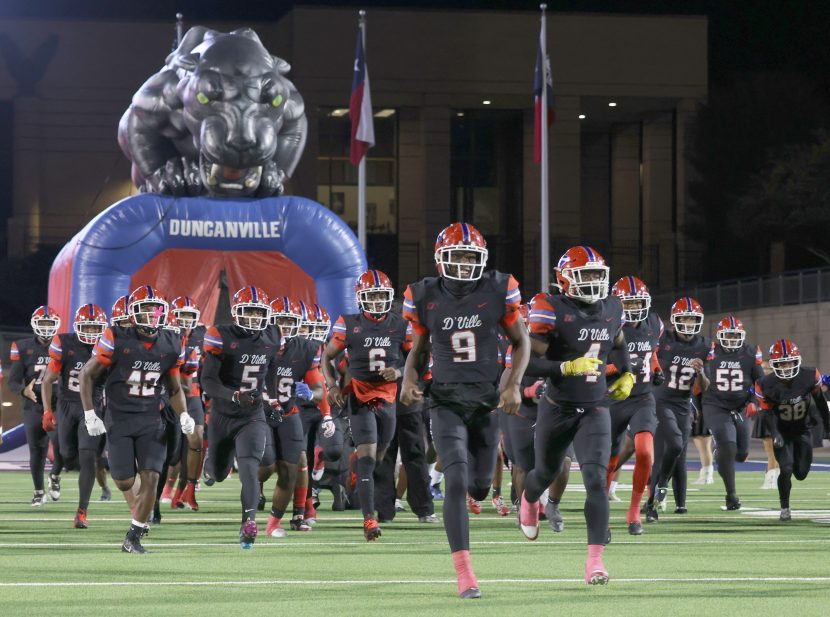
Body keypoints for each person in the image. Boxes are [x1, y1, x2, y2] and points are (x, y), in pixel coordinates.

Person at [401, 222, 529, 599]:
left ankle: (479, 492)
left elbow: (521, 342)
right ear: (441, 259)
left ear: (482, 259)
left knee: (477, 484)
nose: (462, 263)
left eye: (469, 256)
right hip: (445, 400)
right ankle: (464, 571)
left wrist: (512, 384)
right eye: (456, 255)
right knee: (456, 479)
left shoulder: (497, 289)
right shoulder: (424, 294)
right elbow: (419, 349)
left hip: (487, 402)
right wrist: (410, 379)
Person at [518, 246, 634, 585]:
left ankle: (595, 562)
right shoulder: (550, 307)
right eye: (586, 275)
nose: (594, 282)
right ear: (564, 278)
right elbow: (528, 363)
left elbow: (620, 343)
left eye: (599, 274)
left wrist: (626, 374)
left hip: (595, 407)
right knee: (544, 472)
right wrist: (565, 366)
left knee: (596, 481)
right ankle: (528, 499)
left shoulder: (612, 306)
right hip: (557, 407)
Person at [80, 286, 195, 553]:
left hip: (150, 418)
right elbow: (87, 374)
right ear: (132, 314)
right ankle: (133, 514)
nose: (151, 316)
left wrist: (184, 413)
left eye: (155, 311)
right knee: (124, 481)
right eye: (144, 310)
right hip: (119, 417)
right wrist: (90, 414)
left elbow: (175, 387)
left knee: (152, 477)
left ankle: (133, 537)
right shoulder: (116, 336)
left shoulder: (171, 342)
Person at [323, 269, 411, 540]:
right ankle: (369, 519)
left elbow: (414, 359)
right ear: (360, 298)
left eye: (380, 296)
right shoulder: (348, 323)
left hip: (388, 397)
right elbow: (325, 359)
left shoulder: (400, 324)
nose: (375, 301)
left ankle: (356, 466)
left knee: (380, 457)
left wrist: (398, 372)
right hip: (360, 395)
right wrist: (333, 385)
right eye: (370, 296)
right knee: (368, 457)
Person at [201, 285, 278, 549]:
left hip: (252, 414)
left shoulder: (272, 335)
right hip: (223, 414)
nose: (255, 318)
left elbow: (270, 370)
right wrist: (233, 395)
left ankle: (248, 524)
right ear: (237, 313)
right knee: (220, 473)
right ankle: (210, 466)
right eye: (250, 312)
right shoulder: (220, 335)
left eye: (259, 312)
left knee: (249, 468)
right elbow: (207, 381)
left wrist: (273, 397)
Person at [261, 297, 326, 537]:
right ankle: (255, 493)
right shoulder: (258, 344)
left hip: (288, 412)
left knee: (294, 465)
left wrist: (310, 393)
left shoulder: (306, 348)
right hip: (259, 414)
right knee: (265, 467)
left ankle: (285, 518)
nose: (286, 326)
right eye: (282, 320)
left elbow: (320, 391)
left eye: (291, 321)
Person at [41, 304, 108, 528]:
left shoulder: (107, 345)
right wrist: (47, 410)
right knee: (67, 455)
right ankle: (57, 474)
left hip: (92, 406)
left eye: (94, 327)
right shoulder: (64, 343)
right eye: (86, 327)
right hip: (67, 405)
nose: (90, 332)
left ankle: (82, 511)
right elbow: (48, 380)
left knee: (88, 456)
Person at [606, 276, 664, 536]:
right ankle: (602, 513)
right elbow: (596, 360)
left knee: (645, 452)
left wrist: (656, 369)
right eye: (627, 303)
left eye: (637, 302)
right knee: (608, 459)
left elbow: (651, 352)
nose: (632, 308)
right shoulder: (606, 324)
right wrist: (617, 369)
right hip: (613, 397)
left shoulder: (654, 323)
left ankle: (634, 511)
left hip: (642, 397)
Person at [646, 297, 710, 521]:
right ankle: (661, 486)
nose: (689, 323)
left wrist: (701, 373)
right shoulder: (663, 339)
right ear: (675, 320)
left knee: (677, 453)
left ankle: (653, 501)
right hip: (660, 400)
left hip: (683, 404)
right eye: (685, 318)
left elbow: (703, 387)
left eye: (693, 318)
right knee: (672, 444)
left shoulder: (703, 345)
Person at [756, 339, 829, 521]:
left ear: (797, 361)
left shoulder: (809, 375)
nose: (786, 366)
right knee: (786, 469)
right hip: (782, 431)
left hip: (803, 430)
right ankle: (785, 508)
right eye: (782, 363)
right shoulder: (765, 383)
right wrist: (775, 433)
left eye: (789, 362)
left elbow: (820, 401)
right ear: (774, 364)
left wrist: (828, 426)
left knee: (801, 473)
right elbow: (766, 414)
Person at [702, 315, 764, 510]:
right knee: (728, 447)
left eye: (735, 334)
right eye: (727, 334)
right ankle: (731, 495)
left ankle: (720, 454)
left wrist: (755, 401)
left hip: (742, 406)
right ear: (719, 335)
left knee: (741, 453)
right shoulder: (710, 352)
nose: (731, 338)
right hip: (716, 404)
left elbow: (760, 382)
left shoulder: (751, 352)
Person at [9, 306, 64, 506]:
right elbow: (13, 381)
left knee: (62, 447)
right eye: (43, 323)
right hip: (33, 405)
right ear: (35, 324)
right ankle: (39, 492)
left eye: (50, 323)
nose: (47, 327)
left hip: (58, 404)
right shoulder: (23, 347)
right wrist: (24, 391)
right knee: (37, 450)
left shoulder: (65, 345)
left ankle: (55, 476)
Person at [167, 296, 206, 511]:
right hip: (170, 394)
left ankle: (186, 491)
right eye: (182, 314)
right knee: (173, 452)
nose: (186, 319)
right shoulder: (167, 336)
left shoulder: (203, 334)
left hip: (192, 394)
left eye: (190, 315)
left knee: (196, 440)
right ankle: (167, 489)